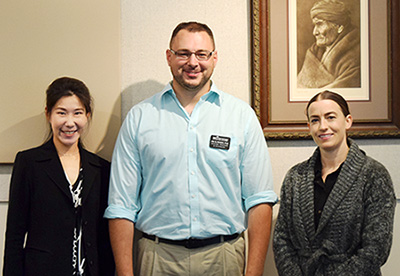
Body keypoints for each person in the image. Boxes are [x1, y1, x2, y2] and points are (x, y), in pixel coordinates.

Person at [104, 21, 278, 276]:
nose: (192, 62)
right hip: (157, 258)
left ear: (214, 58)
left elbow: (259, 200)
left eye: (202, 54)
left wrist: (254, 272)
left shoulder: (241, 117)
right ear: (169, 57)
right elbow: (121, 206)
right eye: (183, 53)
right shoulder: (140, 118)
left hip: (224, 257)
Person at [273, 90, 396, 275]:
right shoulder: (295, 177)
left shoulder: (374, 175)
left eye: (330, 117)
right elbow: (282, 240)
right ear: (309, 126)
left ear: (348, 121)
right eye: (315, 120)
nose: (323, 126)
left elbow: (376, 249)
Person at [3, 77, 115, 276]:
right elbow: (15, 235)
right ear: (48, 114)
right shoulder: (29, 163)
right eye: (61, 113)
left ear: (87, 116)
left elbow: (104, 238)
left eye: (78, 113)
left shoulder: (100, 168)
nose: (69, 123)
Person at [297, 0, 361, 88]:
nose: (314, 32)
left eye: (319, 24)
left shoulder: (356, 58)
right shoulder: (314, 52)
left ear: (339, 28)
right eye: (314, 25)